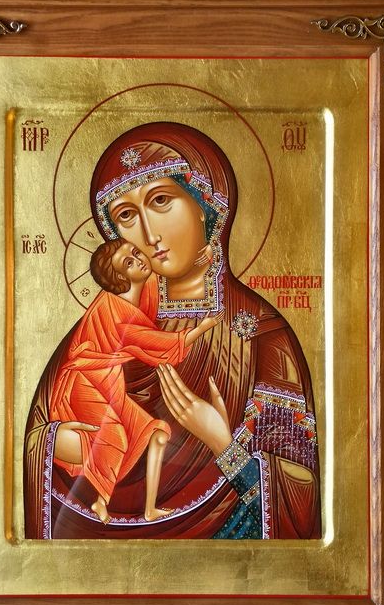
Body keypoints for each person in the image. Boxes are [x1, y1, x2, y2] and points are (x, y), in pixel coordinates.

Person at [24, 121, 321, 540]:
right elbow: (41, 443)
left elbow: (301, 506)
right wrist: (60, 444)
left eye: (161, 200)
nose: (149, 235)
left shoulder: (261, 337)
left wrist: (223, 446)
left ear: (204, 203)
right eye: (126, 216)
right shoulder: (100, 329)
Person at [49, 237, 222, 524]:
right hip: (85, 381)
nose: (139, 260)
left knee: (158, 433)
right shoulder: (119, 315)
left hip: (108, 379)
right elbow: (162, 344)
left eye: (135, 252)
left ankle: (149, 509)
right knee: (113, 436)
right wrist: (203, 327)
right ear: (120, 278)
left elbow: (171, 274)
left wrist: (197, 259)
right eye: (128, 263)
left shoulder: (146, 284)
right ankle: (101, 501)